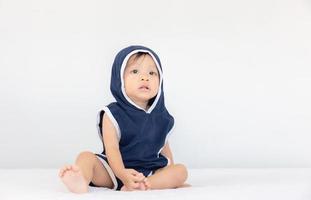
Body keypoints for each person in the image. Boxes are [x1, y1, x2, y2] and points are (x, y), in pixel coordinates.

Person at [59, 45, 188, 193]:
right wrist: (122, 174)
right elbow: (112, 148)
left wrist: (171, 176)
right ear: (119, 79)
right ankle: (80, 179)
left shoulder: (162, 117)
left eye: (152, 73)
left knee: (181, 170)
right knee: (86, 157)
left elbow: (165, 150)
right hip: (113, 170)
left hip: (149, 171)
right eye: (135, 71)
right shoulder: (112, 114)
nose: (145, 77)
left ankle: (145, 185)